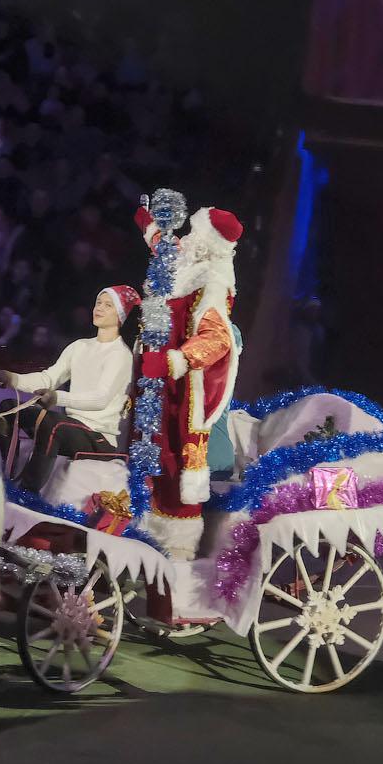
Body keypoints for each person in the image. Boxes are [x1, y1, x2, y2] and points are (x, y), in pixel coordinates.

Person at [130, 203, 244, 560]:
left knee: (173, 460)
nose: (187, 240)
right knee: (149, 453)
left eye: (195, 234)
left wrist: (173, 360)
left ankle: (176, 545)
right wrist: (144, 218)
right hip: (157, 386)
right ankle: (138, 529)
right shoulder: (185, 265)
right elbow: (164, 244)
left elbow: (217, 339)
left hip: (180, 390)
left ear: (208, 243)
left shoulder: (211, 281)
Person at [0, 285, 139, 492]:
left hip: (97, 436)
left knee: (53, 424)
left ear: (120, 315)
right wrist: (13, 379)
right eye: (99, 303)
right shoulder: (79, 346)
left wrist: (57, 398)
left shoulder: (120, 355)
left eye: (108, 305)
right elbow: (49, 378)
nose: (100, 308)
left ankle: (27, 494)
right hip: (71, 425)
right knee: (9, 408)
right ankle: (4, 478)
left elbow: (100, 399)